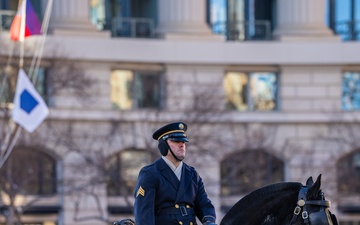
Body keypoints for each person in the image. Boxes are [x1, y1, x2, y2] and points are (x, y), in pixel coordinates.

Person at [134, 122, 217, 225]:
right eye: (176, 141)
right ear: (163, 145)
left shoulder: (192, 174)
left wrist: (209, 222)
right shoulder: (150, 173)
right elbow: (144, 215)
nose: (182, 145)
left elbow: (204, 204)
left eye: (183, 141)